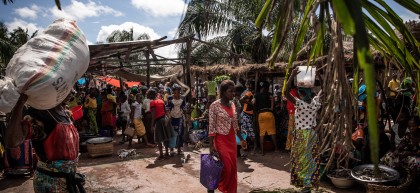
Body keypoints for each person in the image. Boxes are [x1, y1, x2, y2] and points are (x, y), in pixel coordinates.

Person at [22, 94, 85, 192]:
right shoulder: (38, 113)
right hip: (50, 182)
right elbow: (12, 141)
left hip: (68, 179)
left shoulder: (65, 111)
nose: (72, 92)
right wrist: (19, 104)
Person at [286, 68, 322, 192]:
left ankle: (305, 185)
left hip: (302, 134)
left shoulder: (299, 104)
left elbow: (285, 92)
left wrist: (292, 75)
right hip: (312, 134)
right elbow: (324, 90)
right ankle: (309, 183)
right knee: (311, 158)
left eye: (300, 92)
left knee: (300, 159)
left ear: (301, 93)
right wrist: (318, 76)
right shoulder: (315, 104)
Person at [208, 80, 247, 193]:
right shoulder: (214, 106)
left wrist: (241, 139)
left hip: (231, 141)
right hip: (220, 140)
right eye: (231, 91)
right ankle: (211, 185)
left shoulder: (233, 104)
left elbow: (235, 125)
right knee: (226, 168)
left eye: (234, 91)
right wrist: (211, 146)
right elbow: (211, 127)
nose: (233, 93)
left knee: (233, 169)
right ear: (224, 92)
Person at [254, 80, 279, 155]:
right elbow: (273, 99)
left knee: (262, 134)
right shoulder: (268, 94)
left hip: (260, 114)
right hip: (269, 113)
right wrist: (271, 107)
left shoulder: (256, 94)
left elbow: (253, 102)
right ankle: (276, 148)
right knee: (272, 132)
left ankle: (262, 151)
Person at [150, 89, 174, 160]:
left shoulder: (152, 102)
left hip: (158, 121)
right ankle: (166, 153)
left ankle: (161, 154)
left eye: (149, 94)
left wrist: (152, 125)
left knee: (158, 139)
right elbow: (165, 111)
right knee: (165, 137)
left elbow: (154, 114)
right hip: (165, 119)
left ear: (152, 94)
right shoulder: (161, 101)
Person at [166, 85, 187, 155]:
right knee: (172, 133)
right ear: (173, 93)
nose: (176, 94)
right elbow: (167, 108)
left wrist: (186, 118)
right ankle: (171, 149)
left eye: (178, 93)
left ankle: (179, 149)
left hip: (180, 118)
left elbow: (184, 108)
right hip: (172, 117)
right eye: (175, 93)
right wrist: (168, 116)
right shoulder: (169, 98)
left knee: (180, 133)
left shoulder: (183, 98)